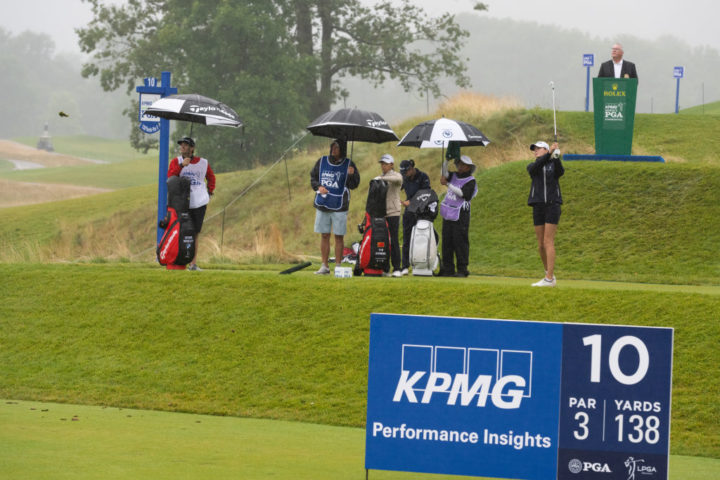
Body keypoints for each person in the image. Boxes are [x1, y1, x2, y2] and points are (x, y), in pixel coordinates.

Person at [310, 139, 360, 275]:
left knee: (339, 236)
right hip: (323, 204)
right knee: (324, 235)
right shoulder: (321, 161)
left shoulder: (349, 164)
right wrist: (318, 187)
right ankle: (324, 266)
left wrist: (352, 174)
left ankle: (338, 266)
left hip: (340, 206)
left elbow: (355, 184)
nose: (333, 150)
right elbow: (313, 178)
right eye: (332, 147)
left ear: (342, 150)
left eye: (336, 148)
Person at [167, 136, 215, 271]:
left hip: (199, 202)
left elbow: (211, 177)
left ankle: (193, 264)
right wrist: (182, 165)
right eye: (181, 145)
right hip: (181, 203)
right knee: (180, 231)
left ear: (192, 148)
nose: (182, 147)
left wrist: (210, 192)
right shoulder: (176, 161)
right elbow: (170, 177)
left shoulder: (203, 162)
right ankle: (178, 260)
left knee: (195, 233)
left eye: (186, 145)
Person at [527, 140, 564, 287]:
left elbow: (560, 172)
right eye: (534, 149)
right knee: (540, 245)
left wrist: (556, 157)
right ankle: (548, 274)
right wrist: (548, 154)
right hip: (538, 205)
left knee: (548, 241)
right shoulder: (532, 165)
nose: (535, 150)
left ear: (546, 149)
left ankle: (549, 278)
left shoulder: (552, 164)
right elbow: (535, 169)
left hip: (552, 204)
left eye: (538, 148)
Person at [438, 155, 477, 277]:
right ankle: (448, 269)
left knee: (460, 242)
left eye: (463, 165)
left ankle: (462, 269)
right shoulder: (454, 175)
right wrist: (446, 160)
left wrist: (448, 185)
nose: (460, 166)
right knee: (447, 242)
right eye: (459, 164)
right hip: (448, 213)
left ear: (468, 167)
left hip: (461, 215)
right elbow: (444, 173)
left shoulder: (471, 180)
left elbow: (463, 194)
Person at [399, 159, 430, 275]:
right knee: (406, 239)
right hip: (409, 212)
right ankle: (405, 266)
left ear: (412, 168)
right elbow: (397, 187)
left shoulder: (423, 177)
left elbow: (426, 195)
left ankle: (421, 265)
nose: (405, 174)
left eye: (406, 172)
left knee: (421, 238)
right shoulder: (404, 178)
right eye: (403, 173)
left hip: (422, 212)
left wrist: (411, 202)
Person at [375, 154, 403, 277]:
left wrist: (381, 179)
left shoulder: (396, 175)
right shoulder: (381, 177)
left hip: (393, 212)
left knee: (394, 241)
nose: (383, 166)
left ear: (391, 164)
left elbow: (397, 180)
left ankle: (397, 268)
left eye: (385, 164)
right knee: (383, 242)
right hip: (382, 213)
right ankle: (385, 268)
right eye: (382, 164)